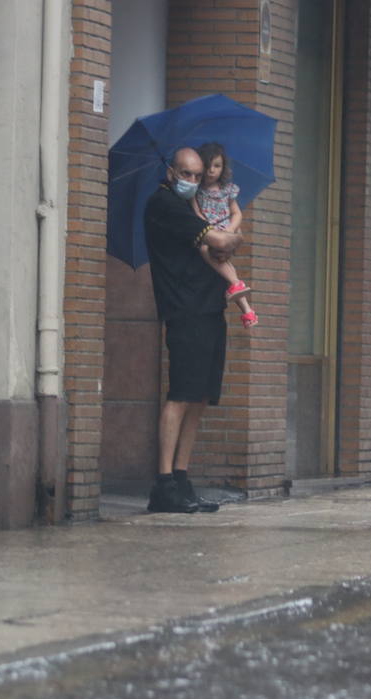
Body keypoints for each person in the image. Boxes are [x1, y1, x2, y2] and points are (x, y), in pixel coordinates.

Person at [142, 146, 248, 513]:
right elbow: (220, 241)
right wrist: (230, 238)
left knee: (201, 396)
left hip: (209, 307)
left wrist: (224, 236)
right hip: (184, 309)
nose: (193, 181)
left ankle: (182, 478)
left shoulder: (192, 206)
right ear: (171, 172)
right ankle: (164, 484)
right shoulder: (165, 205)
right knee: (181, 394)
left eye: (198, 176)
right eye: (186, 174)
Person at [192, 142, 258, 328]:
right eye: (208, 166)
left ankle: (237, 287)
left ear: (223, 167)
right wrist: (210, 232)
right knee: (211, 253)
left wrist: (229, 231)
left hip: (227, 230)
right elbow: (196, 213)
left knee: (216, 258)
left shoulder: (227, 189)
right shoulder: (196, 191)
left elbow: (237, 213)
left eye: (217, 166)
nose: (212, 171)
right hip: (209, 232)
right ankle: (247, 310)